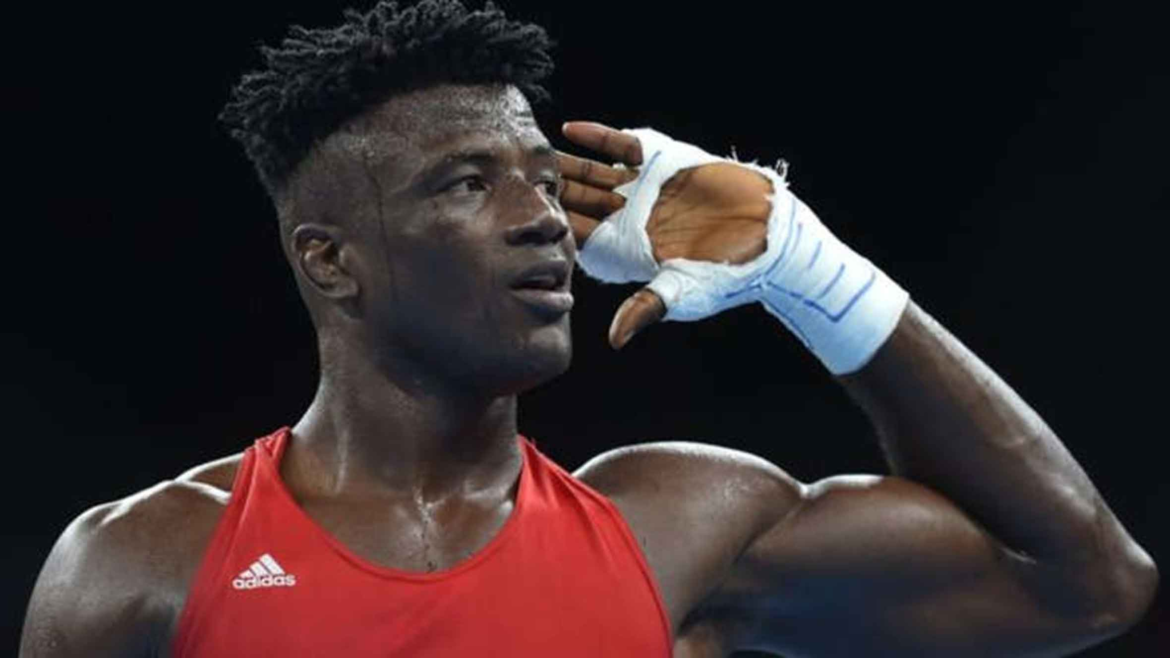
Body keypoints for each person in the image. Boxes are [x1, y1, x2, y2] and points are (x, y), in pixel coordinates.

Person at [20, 1, 1158, 656]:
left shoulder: (677, 524)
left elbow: (1084, 581)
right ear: (330, 259)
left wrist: (807, 269)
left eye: (541, 176)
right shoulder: (146, 564)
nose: (540, 220)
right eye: (468, 183)